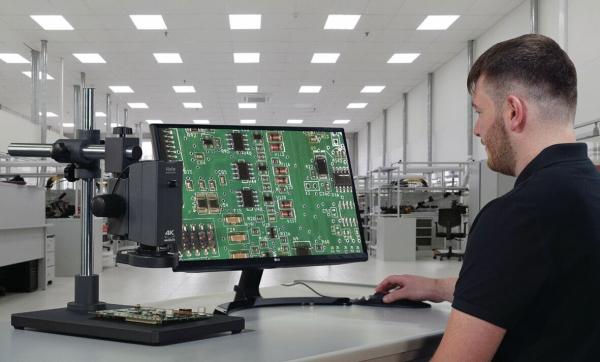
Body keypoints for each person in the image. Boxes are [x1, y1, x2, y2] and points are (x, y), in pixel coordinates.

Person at [376, 34, 600, 361]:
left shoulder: (517, 214)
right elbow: (552, 287)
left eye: (479, 112)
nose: (477, 130)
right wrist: (438, 288)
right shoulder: (590, 188)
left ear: (513, 111)